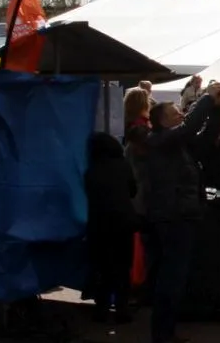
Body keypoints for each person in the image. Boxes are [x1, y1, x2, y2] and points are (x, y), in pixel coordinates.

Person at [145, 85, 220, 343]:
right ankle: (162, 333)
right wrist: (205, 98)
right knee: (171, 277)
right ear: (162, 121)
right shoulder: (160, 140)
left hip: (181, 214)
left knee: (175, 276)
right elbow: (190, 128)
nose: (180, 114)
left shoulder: (175, 145)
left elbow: (205, 136)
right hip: (173, 215)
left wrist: (216, 107)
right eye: (175, 113)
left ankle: (166, 330)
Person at [84, 133, 139, 324]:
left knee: (103, 268)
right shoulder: (123, 165)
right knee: (123, 268)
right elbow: (133, 190)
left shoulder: (91, 169)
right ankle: (122, 310)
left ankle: (102, 309)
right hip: (124, 222)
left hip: (99, 224)